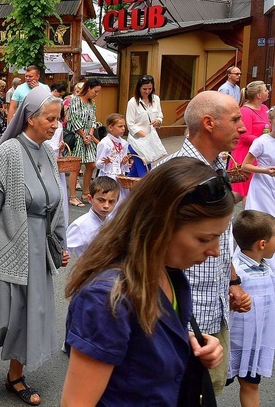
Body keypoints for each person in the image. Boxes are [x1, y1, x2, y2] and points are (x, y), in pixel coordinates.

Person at [62, 157, 229, 405]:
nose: (215, 250)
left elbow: (147, 348)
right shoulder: (108, 300)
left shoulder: (170, 274)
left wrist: (188, 345)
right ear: (161, 226)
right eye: (205, 239)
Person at [0, 85, 68, 404]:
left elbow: (56, 202)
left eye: (56, 118)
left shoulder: (48, 153)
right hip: (4, 247)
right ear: (30, 119)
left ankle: (16, 376)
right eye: (50, 118)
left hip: (38, 249)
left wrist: (59, 244)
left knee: (28, 314)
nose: (54, 124)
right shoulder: (8, 152)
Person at [162, 90, 251, 393]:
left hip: (215, 308)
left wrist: (233, 282)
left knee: (208, 390)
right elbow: (147, 249)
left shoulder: (218, 168)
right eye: (236, 119)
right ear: (209, 123)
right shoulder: (174, 174)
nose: (244, 127)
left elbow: (221, 242)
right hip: (181, 316)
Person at [228, 210, 275, 407]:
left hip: (254, 345)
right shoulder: (236, 272)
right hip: (231, 346)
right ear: (262, 244)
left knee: (250, 386)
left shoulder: (267, 268)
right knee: (214, 386)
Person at [231, 80, 270, 203]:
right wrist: (262, 140)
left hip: (259, 152)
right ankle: (249, 220)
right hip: (246, 153)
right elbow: (244, 136)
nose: (268, 91)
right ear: (258, 95)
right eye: (265, 89)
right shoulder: (245, 111)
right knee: (247, 190)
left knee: (248, 190)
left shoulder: (264, 108)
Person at [66, 78, 102, 207]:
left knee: (91, 165)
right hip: (77, 136)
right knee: (75, 167)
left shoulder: (92, 103)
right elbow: (74, 119)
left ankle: (86, 192)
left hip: (88, 136)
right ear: (88, 88)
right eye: (95, 91)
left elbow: (93, 120)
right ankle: (73, 196)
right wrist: (83, 135)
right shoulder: (76, 100)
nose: (96, 94)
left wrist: (90, 135)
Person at [66, 176, 120, 259]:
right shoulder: (80, 225)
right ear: (90, 199)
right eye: (101, 200)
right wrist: (64, 257)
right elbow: (65, 249)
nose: (106, 206)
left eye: (111, 202)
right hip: (90, 270)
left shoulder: (114, 221)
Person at [126, 75, 164, 177]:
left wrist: (158, 121)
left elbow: (160, 115)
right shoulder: (132, 102)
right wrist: (142, 134)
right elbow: (130, 124)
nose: (147, 91)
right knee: (145, 170)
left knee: (136, 171)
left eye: (150, 89)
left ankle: (123, 190)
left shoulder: (156, 99)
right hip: (136, 141)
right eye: (144, 89)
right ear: (139, 88)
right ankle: (146, 190)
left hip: (150, 139)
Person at [242, 106, 275, 216]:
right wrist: (265, 170)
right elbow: (245, 165)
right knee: (266, 217)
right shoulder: (261, 142)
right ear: (270, 122)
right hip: (263, 185)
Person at [95, 113, 131, 202]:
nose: (123, 129)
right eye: (120, 126)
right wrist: (104, 162)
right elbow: (98, 164)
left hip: (119, 177)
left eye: (124, 126)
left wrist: (124, 162)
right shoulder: (104, 143)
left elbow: (122, 164)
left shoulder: (124, 143)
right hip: (108, 177)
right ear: (111, 127)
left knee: (121, 201)